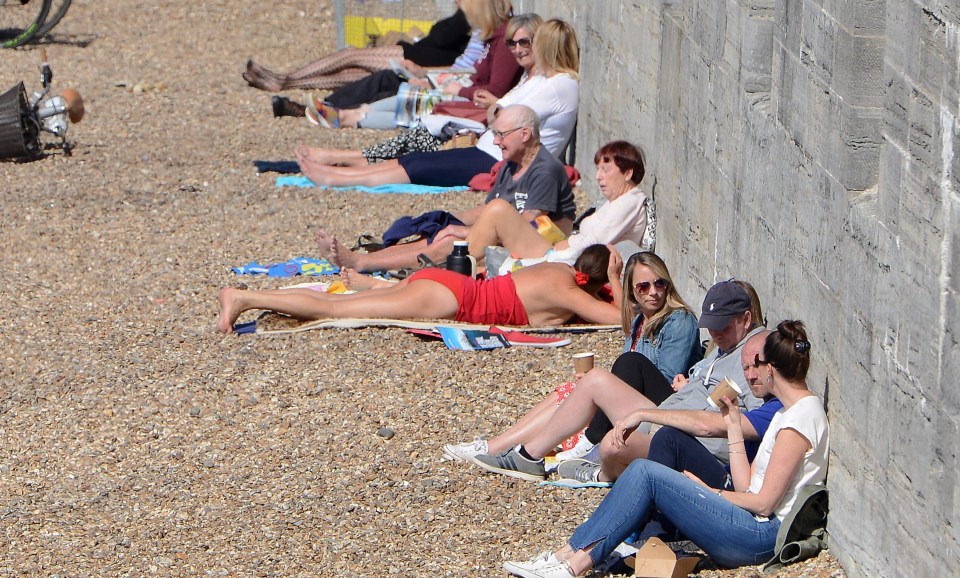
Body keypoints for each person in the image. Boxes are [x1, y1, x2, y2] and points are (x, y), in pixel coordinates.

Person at [502, 320, 828, 577]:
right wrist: (731, 426)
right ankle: (568, 554)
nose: (753, 376)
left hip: (757, 537)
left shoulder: (799, 420)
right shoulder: (788, 413)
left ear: (771, 367)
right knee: (650, 467)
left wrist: (709, 492)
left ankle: (573, 564)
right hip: (746, 523)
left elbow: (764, 503)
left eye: (758, 366)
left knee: (646, 472)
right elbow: (747, 486)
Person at [469, 279, 765, 482]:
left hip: (687, 442)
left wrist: (655, 416)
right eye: (711, 327)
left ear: (747, 319)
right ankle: (529, 455)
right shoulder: (726, 348)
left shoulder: (753, 356)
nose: (715, 333)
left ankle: (602, 473)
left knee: (613, 443)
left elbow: (744, 426)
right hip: (666, 419)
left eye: (722, 326)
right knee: (596, 379)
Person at [442, 251, 700, 462]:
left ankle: (512, 448)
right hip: (636, 407)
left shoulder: (678, 321)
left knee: (612, 373)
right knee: (572, 389)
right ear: (632, 292)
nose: (653, 292)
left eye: (660, 283)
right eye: (644, 286)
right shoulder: (640, 322)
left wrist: (605, 389)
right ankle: (499, 445)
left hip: (659, 416)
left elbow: (664, 383)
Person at [314, 105, 575, 273]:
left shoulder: (544, 169)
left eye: (501, 135)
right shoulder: (513, 164)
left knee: (453, 242)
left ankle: (362, 263)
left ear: (525, 134)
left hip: (539, 248)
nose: (496, 141)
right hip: (507, 235)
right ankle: (373, 258)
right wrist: (448, 220)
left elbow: (530, 223)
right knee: (440, 232)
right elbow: (487, 209)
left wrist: (465, 231)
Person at [297, 15, 578, 166]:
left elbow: (494, 99)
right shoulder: (494, 44)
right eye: (513, 43)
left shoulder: (542, 79)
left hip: (472, 120)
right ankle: (343, 116)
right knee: (393, 90)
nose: (518, 49)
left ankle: (343, 125)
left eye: (525, 43)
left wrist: (458, 89)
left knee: (411, 123)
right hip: (473, 116)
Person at [216, 245, 622, 334]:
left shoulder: (557, 268)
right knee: (340, 310)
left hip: (450, 284)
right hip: (453, 300)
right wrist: (619, 282)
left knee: (345, 302)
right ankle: (245, 297)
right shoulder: (572, 294)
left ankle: (248, 297)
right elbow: (623, 321)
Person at [305, 0, 522, 128]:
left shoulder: (503, 40)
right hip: (460, 89)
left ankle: (346, 116)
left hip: (470, 101)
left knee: (411, 97)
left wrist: (456, 88)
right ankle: (344, 113)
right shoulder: (491, 36)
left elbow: (494, 91)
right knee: (402, 88)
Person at [447, 140, 648, 266]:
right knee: (492, 232)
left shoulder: (629, 202)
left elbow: (595, 244)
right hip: (558, 252)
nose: (598, 177)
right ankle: (461, 263)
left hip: (562, 261)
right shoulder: (615, 202)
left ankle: (459, 265)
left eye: (605, 170)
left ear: (628, 173)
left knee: (498, 211)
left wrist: (547, 260)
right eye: (598, 170)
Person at [242, 3, 472, 93]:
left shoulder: (473, 13)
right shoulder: (474, 14)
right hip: (418, 54)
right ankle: (285, 83)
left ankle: (285, 79)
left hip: (416, 56)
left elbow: (445, 39)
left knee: (350, 55)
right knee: (350, 75)